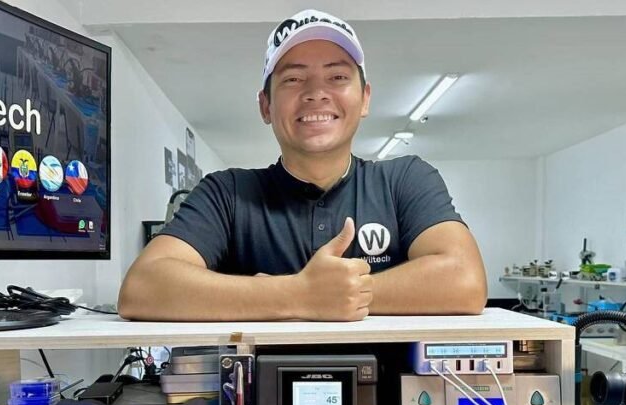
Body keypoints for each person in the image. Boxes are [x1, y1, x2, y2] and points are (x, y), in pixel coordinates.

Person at [118, 9, 487, 322]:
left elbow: (465, 280)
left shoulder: (404, 180)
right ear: (266, 105)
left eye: (338, 76)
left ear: (365, 99)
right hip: (252, 404)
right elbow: (144, 286)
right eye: (293, 79)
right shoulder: (227, 194)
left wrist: (344, 293)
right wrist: (297, 295)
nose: (316, 92)